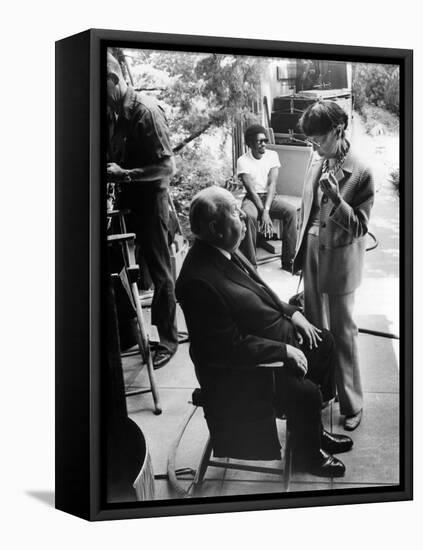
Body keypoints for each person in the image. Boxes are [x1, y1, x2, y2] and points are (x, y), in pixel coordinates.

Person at [176, 186, 354, 477]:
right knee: (305, 392)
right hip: (241, 371)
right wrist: (284, 352)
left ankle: (312, 431)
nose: (243, 218)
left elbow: (261, 294)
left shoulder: (224, 250)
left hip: (268, 338)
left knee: (324, 343)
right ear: (214, 228)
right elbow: (227, 347)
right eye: (235, 212)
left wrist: (294, 315)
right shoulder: (197, 281)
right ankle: (307, 455)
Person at [294, 100, 375, 431]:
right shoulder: (318, 160)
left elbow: (360, 226)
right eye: (310, 139)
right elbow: (307, 209)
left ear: (338, 130)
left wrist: (339, 202)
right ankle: (325, 390)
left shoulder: (361, 171)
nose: (313, 145)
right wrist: (300, 253)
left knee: (343, 332)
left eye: (318, 138)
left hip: (340, 260)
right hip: (313, 251)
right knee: (315, 327)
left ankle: (353, 402)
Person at [106, 52, 178, 370]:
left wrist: (126, 174)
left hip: (151, 202)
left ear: (113, 80)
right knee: (118, 268)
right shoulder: (115, 112)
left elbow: (167, 168)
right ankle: (130, 334)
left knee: (161, 274)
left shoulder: (146, 112)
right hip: (128, 202)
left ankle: (167, 340)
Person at [237, 124, 298, 271]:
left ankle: (289, 262)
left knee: (291, 211)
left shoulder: (272, 155)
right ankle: (251, 266)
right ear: (250, 144)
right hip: (252, 198)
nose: (264, 144)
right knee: (248, 216)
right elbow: (251, 190)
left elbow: (272, 184)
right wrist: (262, 211)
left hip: (269, 198)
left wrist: (266, 211)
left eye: (265, 140)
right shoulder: (243, 160)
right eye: (259, 141)